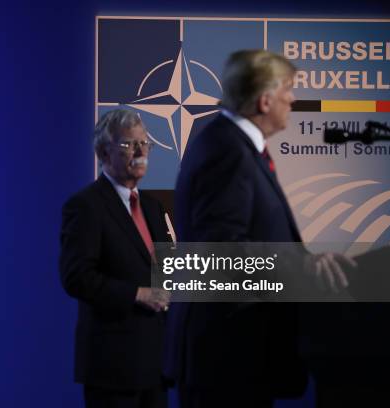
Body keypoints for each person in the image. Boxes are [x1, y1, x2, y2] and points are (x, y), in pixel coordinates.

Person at [165, 50, 355, 407]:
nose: (293, 99)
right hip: (224, 354)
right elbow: (220, 249)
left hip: (239, 353)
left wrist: (307, 263)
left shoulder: (235, 147)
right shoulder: (226, 151)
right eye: (288, 89)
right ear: (265, 100)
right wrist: (301, 266)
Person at [59, 109, 171, 408]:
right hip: (112, 366)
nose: (140, 152)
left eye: (145, 144)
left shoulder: (153, 207)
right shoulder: (85, 206)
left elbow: (166, 266)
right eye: (128, 145)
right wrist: (137, 293)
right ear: (103, 151)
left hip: (155, 364)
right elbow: (77, 277)